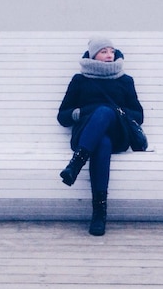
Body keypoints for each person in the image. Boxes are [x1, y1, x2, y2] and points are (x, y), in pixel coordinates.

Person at [57, 36, 144, 236]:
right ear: (93, 54)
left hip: (118, 134)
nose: (109, 55)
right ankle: (99, 213)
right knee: (101, 144)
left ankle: (75, 164)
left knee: (104, 112)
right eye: (104, 51)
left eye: (111, 51)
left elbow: (139, 116)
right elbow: (62, 116)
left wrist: (117, 112)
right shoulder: (79, 80)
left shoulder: (125, 80)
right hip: (87, 134)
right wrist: (78, 113)